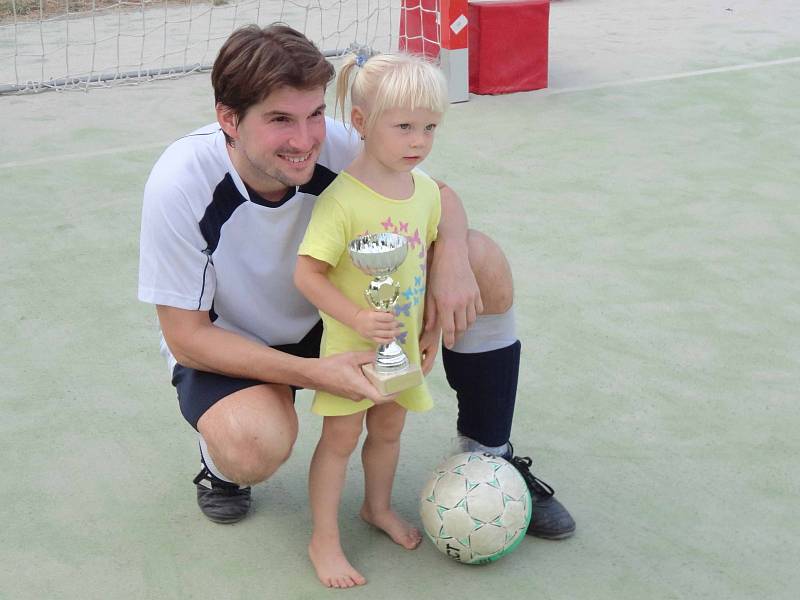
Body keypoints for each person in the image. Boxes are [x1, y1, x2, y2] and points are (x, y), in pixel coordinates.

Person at [137, 23, 574, 547]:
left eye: (315, 114)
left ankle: (489, 453)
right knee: (251, 446)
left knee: (482, 259)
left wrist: (453, 256)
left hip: (339, 315)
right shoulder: (181, 183)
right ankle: (220, 465)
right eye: (280, 119)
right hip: (234, 337)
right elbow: (187, 337)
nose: (304, 141)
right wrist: (315, 372)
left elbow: (438, 195)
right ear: (228, 119)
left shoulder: (336, 149)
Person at [293, 51, 446, 588]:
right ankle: (324, 540)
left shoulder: (426, 191)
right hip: (351, 353)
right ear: (360, 122)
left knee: (389, 429)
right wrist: (358, 314)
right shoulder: (341, 200)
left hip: (402, 346)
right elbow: (307, 276)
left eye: (429, 127)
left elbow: (426, 260)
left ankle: (375, 508)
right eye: (403, 126)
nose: (418, 141)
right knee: (340, 440)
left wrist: (433, 327)